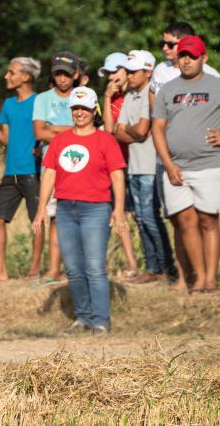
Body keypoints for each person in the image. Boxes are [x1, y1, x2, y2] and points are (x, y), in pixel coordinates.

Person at [152, 36, 220, 294]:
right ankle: (197, 279)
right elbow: (157, 129)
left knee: (208, 220)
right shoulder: (167, 90)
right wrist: (168, 163)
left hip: (209, 164)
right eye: (182, 55)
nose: (186, 60)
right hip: (176, 167)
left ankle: (210, 282)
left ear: (204, 58)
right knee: (185, 221)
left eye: (192, 56)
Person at [31, 87, 127, 334]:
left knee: (95, 266)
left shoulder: (105, 139)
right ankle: (82, 317)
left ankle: (100, 321)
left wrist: (118, 210)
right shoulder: (60, 141)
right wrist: (41, 209)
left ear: (93, 109)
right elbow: (49, 174)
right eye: (75, 108)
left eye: (84, 108)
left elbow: (117, 176)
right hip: (65, 209)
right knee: (73, 268)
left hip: (95, 209)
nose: (79, 112)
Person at [113, 49, 177, 284]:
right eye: (127, 71)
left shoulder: (152, 96)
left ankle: (166, 269)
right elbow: (121, 132)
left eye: (133, 71)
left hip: (150, 166)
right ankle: (152, 268)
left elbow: (139, 131)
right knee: (141, 219)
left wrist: (131, 131)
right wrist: (134, 131)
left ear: (148, 72)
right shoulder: (130, 96)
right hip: (135, 166)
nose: (128, 75)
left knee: (151, 218)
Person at [0, 57, 44, 282]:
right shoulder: (8, 104)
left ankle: (35, 269)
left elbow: (46, 132)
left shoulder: (40, 102)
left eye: (11, 72)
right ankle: (0, 269)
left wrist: (41, 152)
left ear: (25, 77)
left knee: (36, 221)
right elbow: (6, 140)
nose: (6, 76)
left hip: (33, 172)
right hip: (11, 172)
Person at [32, 51, 80, 285]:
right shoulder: (42, 99)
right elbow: (39, 132)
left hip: (80, 164)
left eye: (67, 74)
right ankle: (53, 269)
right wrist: (71, 129)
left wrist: (55, 129)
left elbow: (90, 130)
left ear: (76, 75)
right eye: (58, 74)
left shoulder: (83, 97)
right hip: (52, 165)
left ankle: (77, 268)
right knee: (55, 216)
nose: (62, 79)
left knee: (81, 214)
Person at [98, 52, 140, 279]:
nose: (111, 77)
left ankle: (150, 265)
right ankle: (130, 265)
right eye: (107, 73)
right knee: (117, 214)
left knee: (139, 215)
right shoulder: (110, 98)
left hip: (136, 162)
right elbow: (108, 130)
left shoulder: (136, 95)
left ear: (126, 71)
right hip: (115, 164)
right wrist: (106, 98)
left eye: (115, 71)